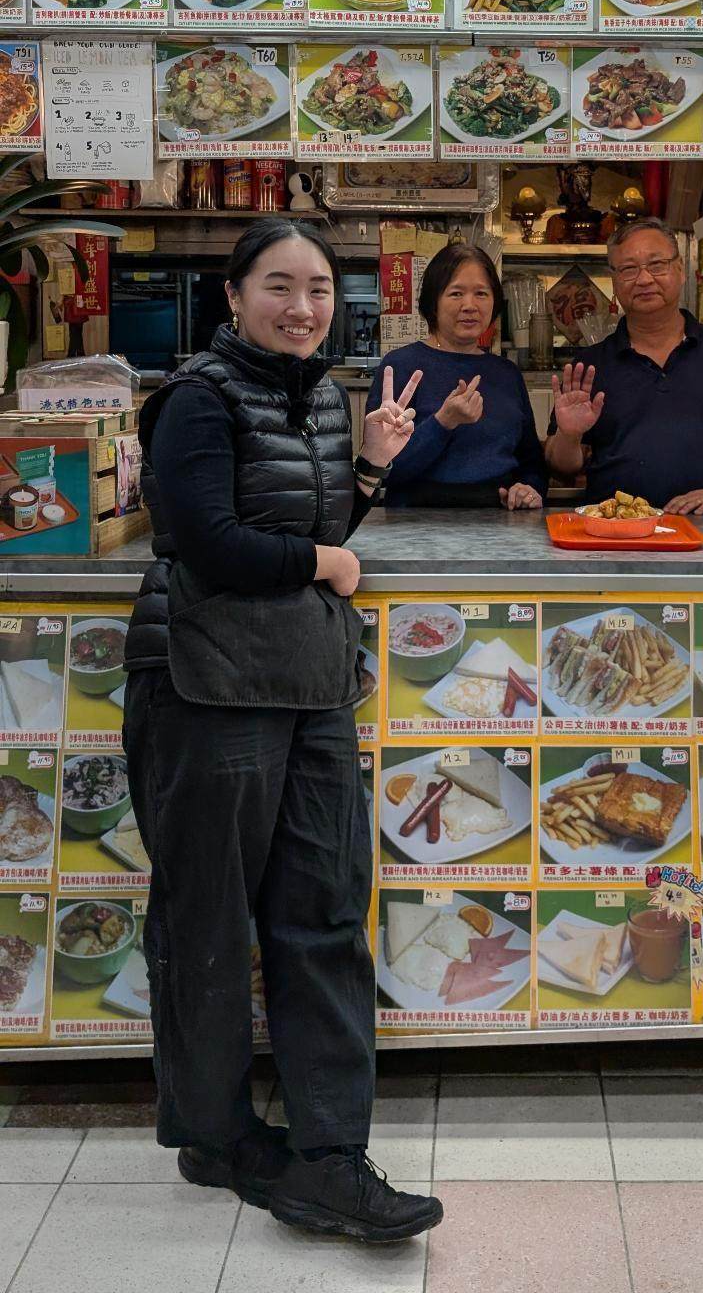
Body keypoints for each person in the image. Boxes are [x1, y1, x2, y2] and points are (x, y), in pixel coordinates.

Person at [122, 218, 442, 1245]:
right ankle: (213, 1133)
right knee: (209, 918)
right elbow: (210, 542)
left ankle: (331, 1154)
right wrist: (323, 566)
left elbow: (316, 528)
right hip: (206, 683)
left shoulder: (321, 394)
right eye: (279, 286)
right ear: (234, 295)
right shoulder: (196, 397)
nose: (302, 307)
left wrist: (373, 466)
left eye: (317, 288)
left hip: (307, 681)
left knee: (325, 910)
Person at [545, 216, 703, 515]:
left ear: (680, 270)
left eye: (657, 265)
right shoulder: (590, 366)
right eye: (629, 269)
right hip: (613, 533)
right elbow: (561, 466)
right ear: (615, 281)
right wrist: (569, 435)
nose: (644, 279)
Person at [367, 242, 546, 509]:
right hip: (415, 527)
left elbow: (532, 463)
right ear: (433, 302)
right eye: (456, 293)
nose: (470, 305)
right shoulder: (401, 367)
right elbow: (382, 472)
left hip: (500, 525)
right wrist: (443, 422)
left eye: (481, 293)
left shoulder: (506, 373)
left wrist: (528, 489)